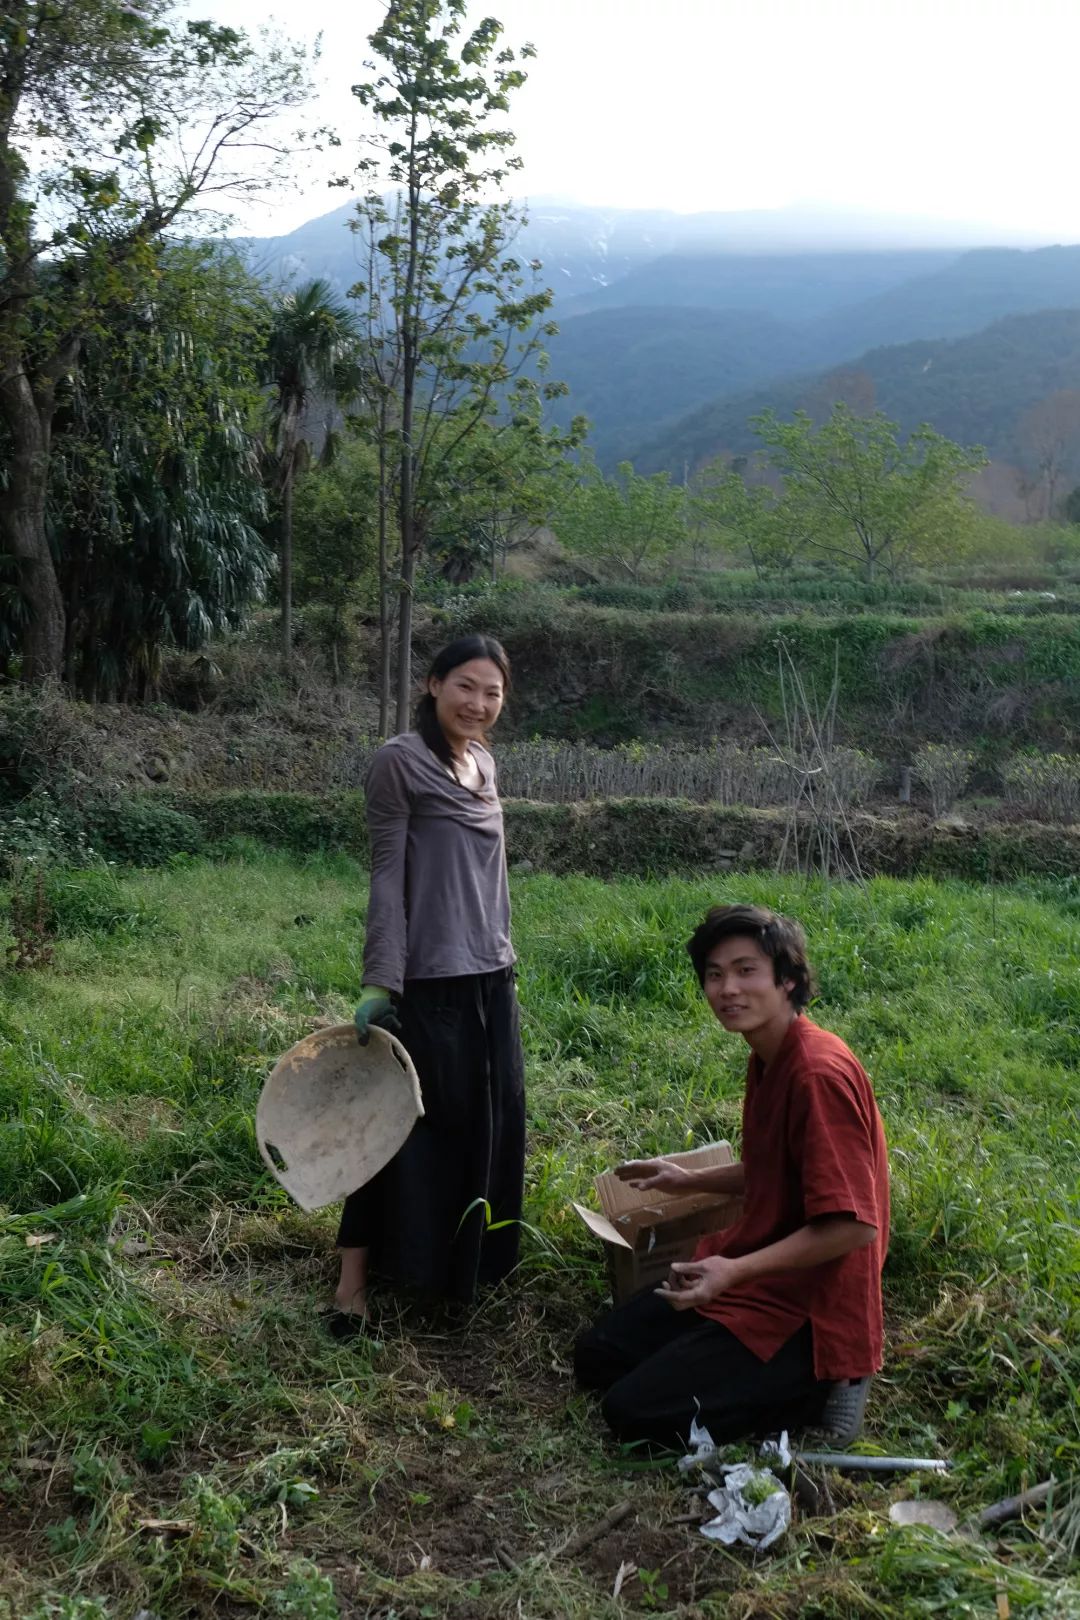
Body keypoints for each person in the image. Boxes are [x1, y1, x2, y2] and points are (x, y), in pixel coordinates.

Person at [574, 904, 889, 1450]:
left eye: (747, 971)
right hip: (757, 1273)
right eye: (715, 975)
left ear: (787, 980)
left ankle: (830, 1380)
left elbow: (852, 1226)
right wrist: (685, 1179)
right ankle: (725, 1353)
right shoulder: (770, 1053)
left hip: (811, 1305)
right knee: (597, 1357)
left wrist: (732, 1271)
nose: (727, 989)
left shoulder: (816, 1073)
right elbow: (778, 1170)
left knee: (631, 1413)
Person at [328, 635, 526, 1338]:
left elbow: (486, 878)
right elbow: (387, 874)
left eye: (493, 692)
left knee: (483, 1124)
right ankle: (351, 1286)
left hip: (490, 976)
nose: (478, 703)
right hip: (428, 980)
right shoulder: (397, 762)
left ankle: (454, 1269)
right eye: (466, 686)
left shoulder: (485, 765)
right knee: (402, 1126)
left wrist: (502, 956)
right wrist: (381, 978)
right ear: (433, 684)